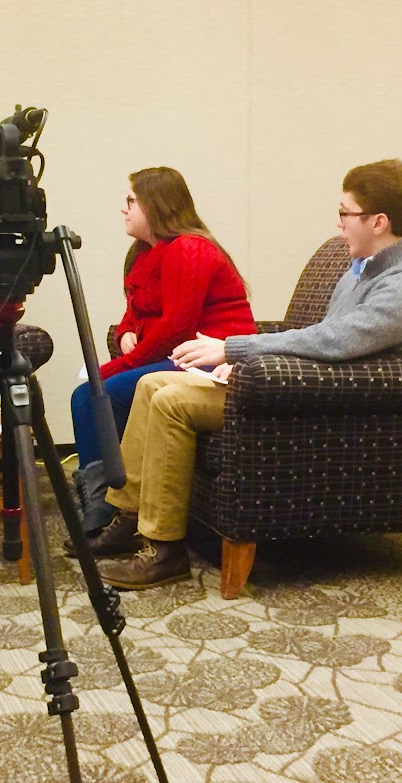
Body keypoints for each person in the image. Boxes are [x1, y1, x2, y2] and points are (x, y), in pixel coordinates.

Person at [88, 158, 402, 590]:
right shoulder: (363, 268)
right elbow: (321, 338)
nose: (339, 223)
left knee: (171, 399)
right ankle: (130, 516)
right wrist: (244, 363)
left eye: (346, 213)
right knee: (151, 383)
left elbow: (335, 343)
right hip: (300, 382)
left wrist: (233, 349)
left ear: (379, 222)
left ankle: (165, 550)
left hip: (330, 401)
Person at [69, 167, 255, 537]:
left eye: (131, 201)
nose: (124, 209)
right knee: (90, 394)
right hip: (177, 355)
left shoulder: (189, 249)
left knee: (95, 394)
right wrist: (124, 333)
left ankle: (106, 502)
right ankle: (101, 494)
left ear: (156, 205)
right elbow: (134, 310)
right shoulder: (145, 252)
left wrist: (118, 365)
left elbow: (176, 329)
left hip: (207, 361)